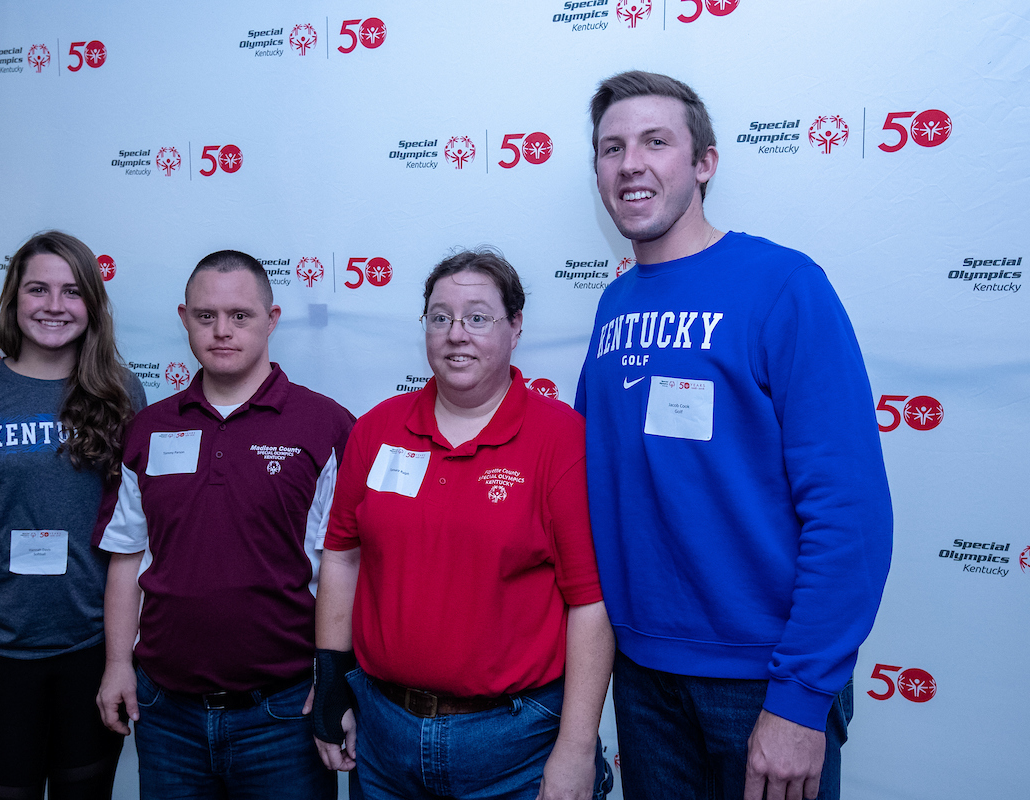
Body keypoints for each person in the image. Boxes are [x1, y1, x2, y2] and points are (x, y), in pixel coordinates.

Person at [575, 70, 893, 800]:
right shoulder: (615, 303)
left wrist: (800, 697)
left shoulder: (782, 284)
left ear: (704, 163)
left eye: (657, 142)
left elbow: (849, 511)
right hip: (644, 674)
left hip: (761, 680)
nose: (631, 164)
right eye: (611, 147)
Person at [312, 248, 615, 800]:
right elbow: (342, 554)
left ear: (515, 327)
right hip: (383, 738)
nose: (456, 334)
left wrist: (576, 747)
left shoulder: (562, 440)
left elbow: (589, 603)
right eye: (439, 317)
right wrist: (332, 681)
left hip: (515, 746)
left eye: (477, 317)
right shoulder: (377, 430)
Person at [92, 250, 353, 799]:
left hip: (284, 714)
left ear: (272, 320)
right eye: (206, 316)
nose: (222, 331)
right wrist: (117, 664)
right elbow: (127, 556)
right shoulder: (148, 428)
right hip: (167, 716)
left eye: (241, 316)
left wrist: (336, 683)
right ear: (184, 318)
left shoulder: (324, 425)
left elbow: (344, 566)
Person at [0, 230, 146, 800]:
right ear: (14, 299)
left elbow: (138, 537)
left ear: (92, 303)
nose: (54, 306)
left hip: (93, 649)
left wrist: (127, 655)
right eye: (38, 289)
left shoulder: (122, 395)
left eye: (71, 291)